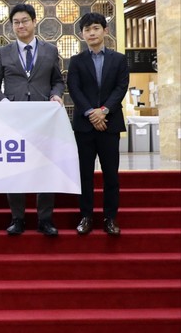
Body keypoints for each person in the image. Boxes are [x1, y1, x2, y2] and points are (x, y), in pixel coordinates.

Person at [0, 3, 65, 237]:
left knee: (45, 167)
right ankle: (18, 218)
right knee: (16, 168)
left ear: (33, 22)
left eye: (24, 21)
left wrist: (56, 95)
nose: (20, 26)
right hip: (15, 119)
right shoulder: (4, 52)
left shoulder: (50, 50)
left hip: (44, 119)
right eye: (16, 22)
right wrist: (4, 102)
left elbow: (58, 81)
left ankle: (45, 219)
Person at [67, 12, 129, 236]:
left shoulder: (119, 59)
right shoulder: (76, 61)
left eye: (95, 28)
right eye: (87, 30)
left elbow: (121, 88)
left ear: (105, 30)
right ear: (82, 34)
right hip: (84, 127)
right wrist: (91, 113)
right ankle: (86, 216)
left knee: (111, 174)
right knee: (84, 174)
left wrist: (103, 111)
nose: (91, 33)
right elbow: (74, 89)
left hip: (109, 124)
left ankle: (110, 218)